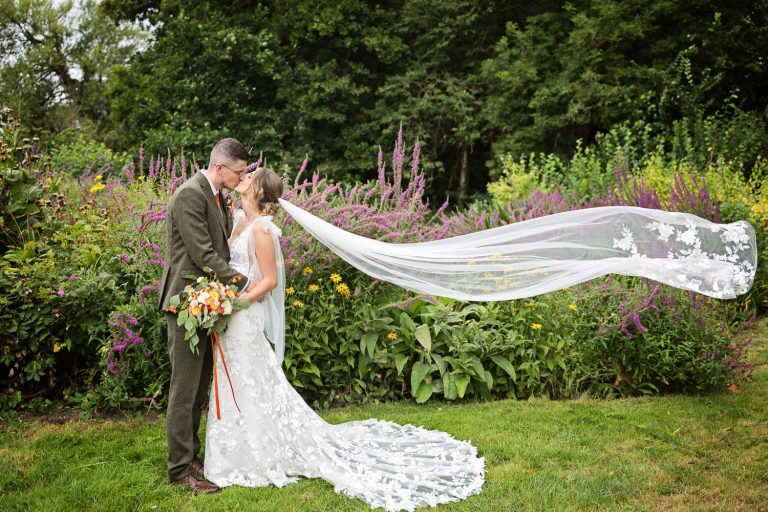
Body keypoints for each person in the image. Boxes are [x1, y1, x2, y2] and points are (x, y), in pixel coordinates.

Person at [203, 168, 485, 511]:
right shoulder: (237, 219)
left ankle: (255, 455)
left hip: (243, 315)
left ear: (259, 190)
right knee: (237, 381)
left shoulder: (262, 229)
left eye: (249, 176)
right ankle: (236, 452)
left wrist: (236, 303)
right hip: (229, 315)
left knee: (250, 381)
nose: (242, 178)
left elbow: (270, 282)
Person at [157, 138, 255, 494]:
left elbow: (222, 246)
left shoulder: (217, 195)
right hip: (185, 303)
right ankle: (179, 470)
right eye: (239, 170)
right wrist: (243, 281)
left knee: (199, 389)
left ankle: (192, 455)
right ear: (219, 167)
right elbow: (202, 254)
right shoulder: (189, 195)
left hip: (206, 302)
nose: (242, 176)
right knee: (184, 390)